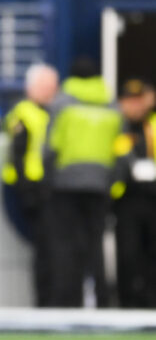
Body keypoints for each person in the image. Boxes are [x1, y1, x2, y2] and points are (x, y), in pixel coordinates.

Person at [46, 58, 120, 307]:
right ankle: (102, 298)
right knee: (95, 243)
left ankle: (69, 300)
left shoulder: (62, 103)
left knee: (67, 243)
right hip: (100, 182)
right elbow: (120, 149)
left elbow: (50, 147)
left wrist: (49, 178)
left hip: (66, 183)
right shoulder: (111, 105)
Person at [1, 64, 58, 306]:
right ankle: (43, 300)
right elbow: (19, 153)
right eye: (48, 86)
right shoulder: (25, 113)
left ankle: (47, 298)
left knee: (48, 247)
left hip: (42, 186)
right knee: (44, 247)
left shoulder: (47, 111)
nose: (52, 91)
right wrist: (27, 191)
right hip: (30, 187)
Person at [111, 79, 156, 307]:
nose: (135, 106)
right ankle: (127, 302)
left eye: (139, 101)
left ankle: (151, 302)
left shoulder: (152, 125)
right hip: (126, 200)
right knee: (128, 254)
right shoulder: (115, 127)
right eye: (130, 101)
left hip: (152, 199)